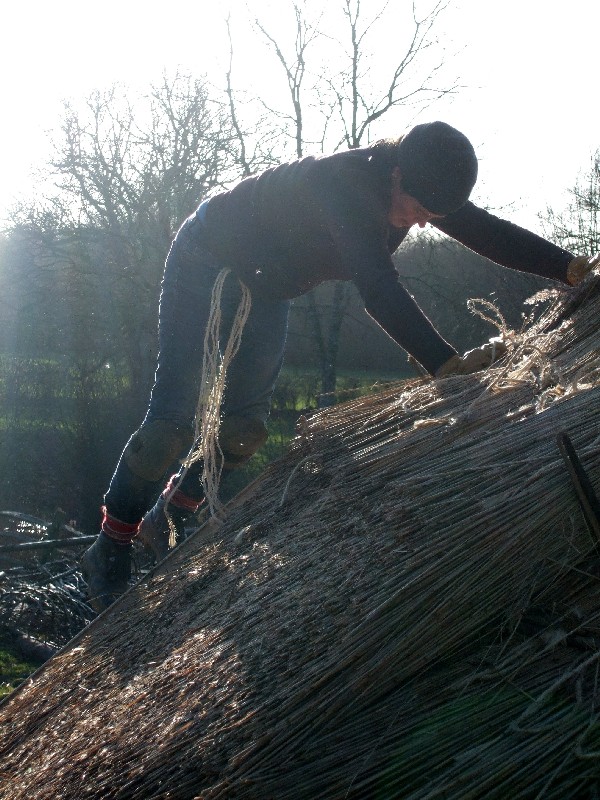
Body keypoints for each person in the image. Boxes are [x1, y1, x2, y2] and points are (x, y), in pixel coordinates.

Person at [81, 120, 597, 611]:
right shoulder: (345, 186)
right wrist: (444, 363)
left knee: (243, 433)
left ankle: (167, 516)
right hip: (204, 257)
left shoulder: (425, 183)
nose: (421, 221)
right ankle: (110, 546)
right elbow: (377, 286)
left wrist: (566, 267)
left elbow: (489, 233)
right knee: (168, 429)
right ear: (397, 176)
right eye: (416, 208)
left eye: (431, 215)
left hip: (266, 284)